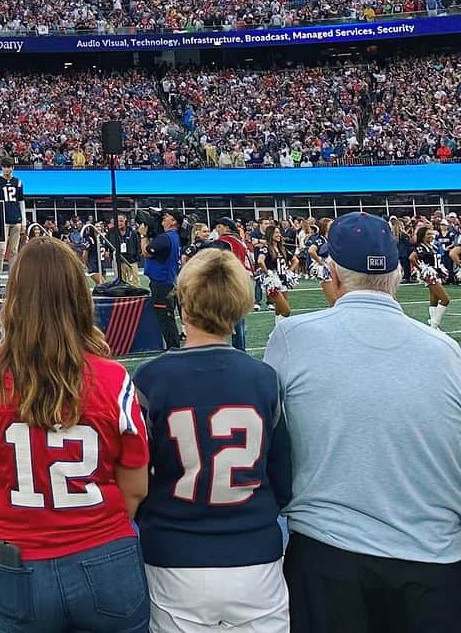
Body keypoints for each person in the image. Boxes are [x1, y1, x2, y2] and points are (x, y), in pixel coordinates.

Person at [264, 211, 461, 631]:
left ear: (333, 276)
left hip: (329, 554)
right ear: (396, 273)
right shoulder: (446, 352)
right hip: (432, 557)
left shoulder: (292, 338)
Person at [0, 238, 151, 633]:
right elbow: (134, 486)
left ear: (13, 299)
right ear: (79, 298)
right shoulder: (113, 379)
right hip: (105, 555)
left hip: (18, 561)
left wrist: (25, 522)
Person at [133, 248, 291, 633]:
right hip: (255, 557)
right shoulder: (263, 379)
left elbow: (135, 479)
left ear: (183, 305)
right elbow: (283, 480)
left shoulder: (151, 379)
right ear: (241, 306)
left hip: (174, 555)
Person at [212, 218, 254, 351]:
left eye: (219, 227)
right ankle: (240, 349)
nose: (217, 230)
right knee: (239, 318)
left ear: (227, 228)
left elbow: (215, 262)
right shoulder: (239, 241)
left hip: (228, 281)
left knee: (220, 316)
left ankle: (225, 348)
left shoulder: (223, 242)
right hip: (242, 279)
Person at [143, 211, 182, 350]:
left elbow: (147, 252)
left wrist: (143, 235)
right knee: (166, 316)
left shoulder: (166, 238)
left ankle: (173, 348)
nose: (163, 219)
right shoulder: (173, 237)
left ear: (173, 222)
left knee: (166, 318)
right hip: (168, 280)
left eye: (167, 217)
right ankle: (172, 346)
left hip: (162, 282)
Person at [412, 221, 451, 328]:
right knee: (445, 299)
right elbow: (411, 258)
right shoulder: (421, 247)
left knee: (434, 300)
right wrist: (422, 269)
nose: (431, 236)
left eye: (431, 234)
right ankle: (434, 325)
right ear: (422, 236)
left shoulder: (433, 246)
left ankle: (434, 326)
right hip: (429, 274)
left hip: (436, 272)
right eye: (428, 234)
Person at [0, 157, 24, 270]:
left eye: (9, 167)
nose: (7, 170)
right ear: (1, 167)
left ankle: (12, 275)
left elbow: (21, 202)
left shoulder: (18, 182)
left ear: (13, 168)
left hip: (15, 218)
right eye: (5, 167)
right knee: (1, 249)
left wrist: (23, 221)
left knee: (14, 250)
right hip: (2, 219)